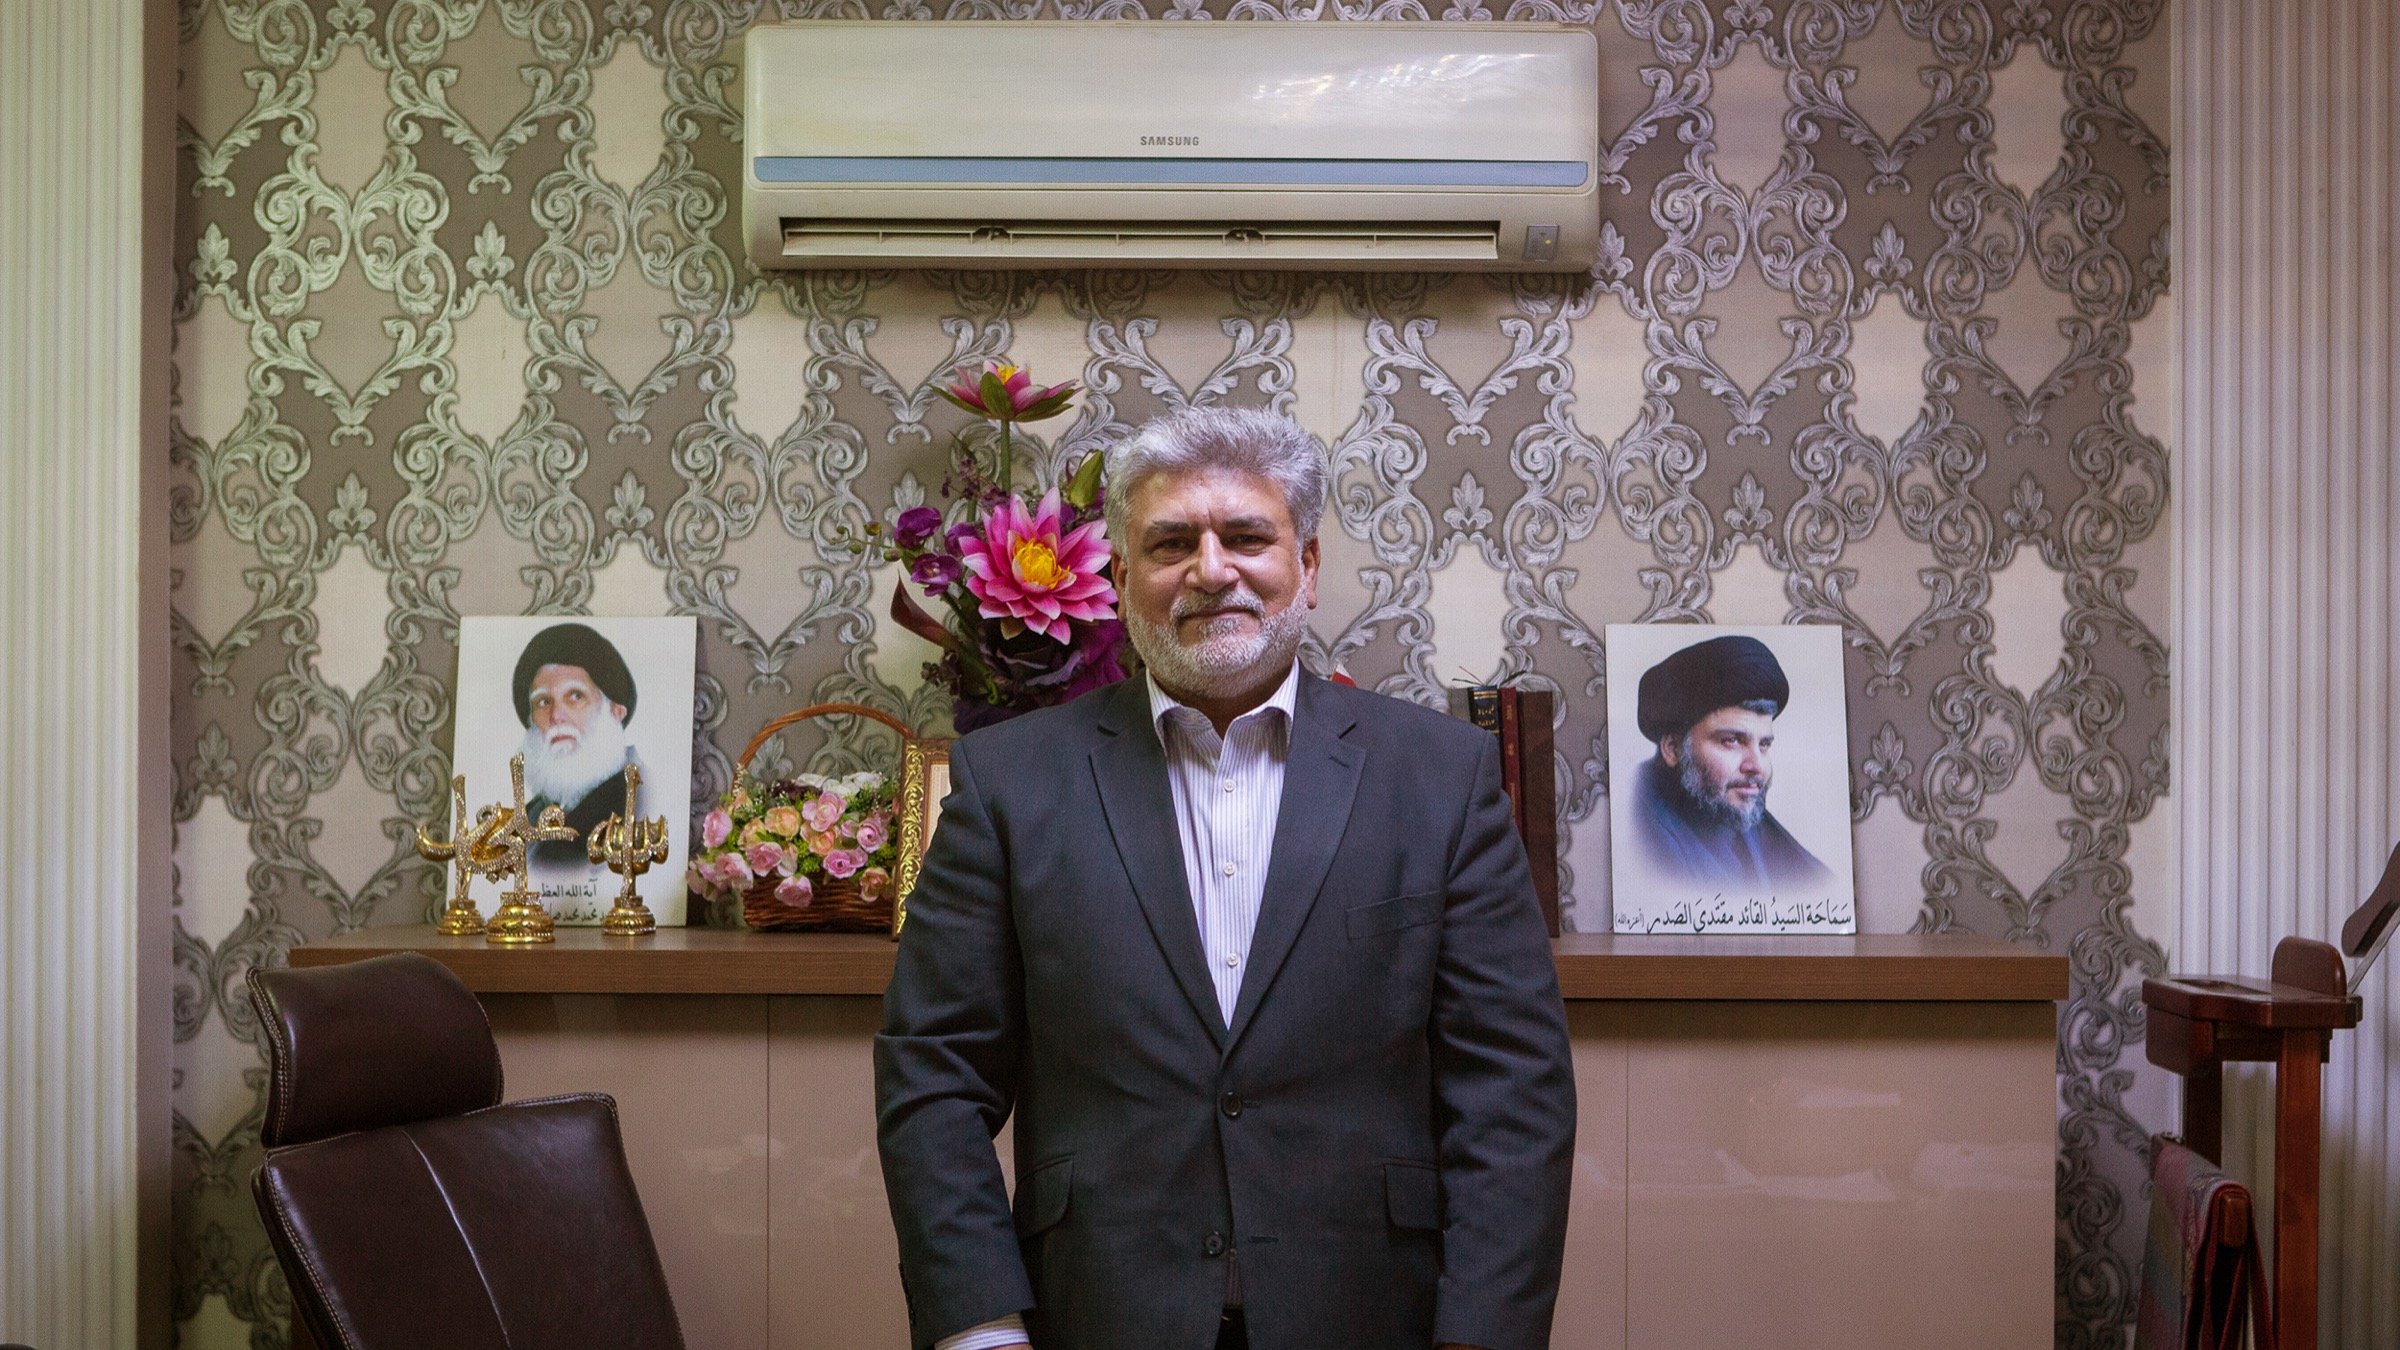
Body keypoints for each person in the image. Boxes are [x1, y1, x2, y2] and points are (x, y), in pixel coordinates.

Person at [876, 407, 1574, 1350]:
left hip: (1375, 1317)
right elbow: (934, 1075)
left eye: (1247, 537)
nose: (1211, 570)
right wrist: (981, 1331)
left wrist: (1481, 1334)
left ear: (1308, 567)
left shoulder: (1442, 778)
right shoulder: (1010, 782)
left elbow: (1513, 1090)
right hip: (1096, 1316)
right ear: (1122, 580)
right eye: (1171, 544)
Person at [1625, 633, 1833, 894]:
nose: (1757, 766)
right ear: (1673, 749)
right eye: (1732, 741)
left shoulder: (1741, 818)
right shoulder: (1639, 842)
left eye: (1764, 745)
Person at [510, 621, 643, 864]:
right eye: (543, 702)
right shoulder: (529, 817)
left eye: (575, 696)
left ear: (615, 712)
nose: (556, 716)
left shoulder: (640, 803)